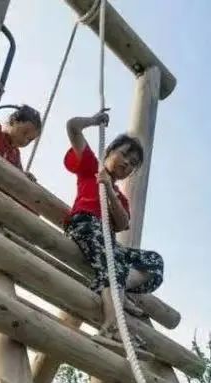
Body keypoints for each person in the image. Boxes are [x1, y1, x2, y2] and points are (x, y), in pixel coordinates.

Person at [64, 108, 163, 348]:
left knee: (154, 262)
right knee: (114, 265)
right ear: (109, 151)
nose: (127, 163)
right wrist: (94, 120)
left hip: (108, 240)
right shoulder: (91, 167)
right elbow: (72, 126)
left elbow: (122, 223)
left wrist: (109, 189)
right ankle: (111, 326)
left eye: (132, 164)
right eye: (124, 155)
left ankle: (117, 285)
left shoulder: (119, 196)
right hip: (85, 224)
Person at [0, 83, 42, 177]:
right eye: (24, 133)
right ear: (13, 121)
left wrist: (26, 176)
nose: (25, 141)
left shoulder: (16, 154)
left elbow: (19, 174)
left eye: (29, 140)